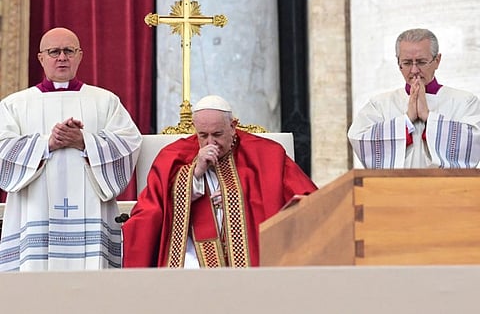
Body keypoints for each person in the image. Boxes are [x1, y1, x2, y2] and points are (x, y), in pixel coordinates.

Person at [0, 27, 142, 271]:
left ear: (80, 55)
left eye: (69, 51)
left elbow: (128, 142)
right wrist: (47, 144)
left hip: (91, 214)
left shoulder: (105, 101)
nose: (62, 57)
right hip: (35, 211)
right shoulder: (15, 104)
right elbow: (3, 147)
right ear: (41, 58)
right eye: (54, 51)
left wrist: (85, 141)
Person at [122, 95, 317, 268]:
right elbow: (152, 207)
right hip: (192, 254)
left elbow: (305, 201)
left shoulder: (267, 154)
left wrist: (236, 201)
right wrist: (194, 174)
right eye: (203, 135)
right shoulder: (174, 156)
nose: (210, 143)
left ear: (233, 126)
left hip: (252, 250)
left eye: (217, 134)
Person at [348, 28, 480, 169]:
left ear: (437, 60)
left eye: (421, 62)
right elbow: (359, 138)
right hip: (396, 188)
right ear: (398, 63)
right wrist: (406, 120)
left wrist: (428, 117)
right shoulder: (380, 104)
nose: (414, 70)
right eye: (407, 63)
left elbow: (474, 141)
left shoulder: (464, 101)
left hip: (445, 188)